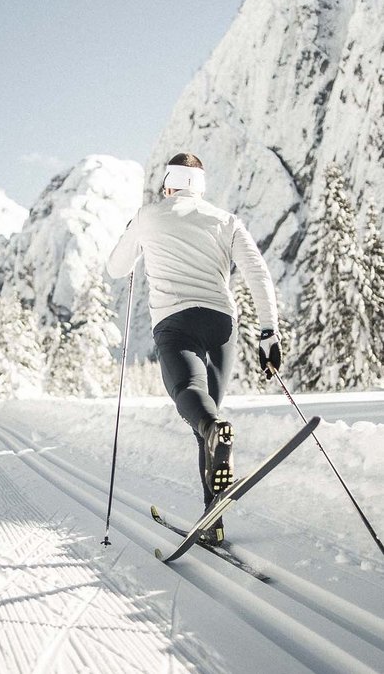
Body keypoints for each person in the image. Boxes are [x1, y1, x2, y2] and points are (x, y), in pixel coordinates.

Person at [106, 152, 282, 544]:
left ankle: (213, 497)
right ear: (200, 186)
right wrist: (269, 332)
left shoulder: (149, 215)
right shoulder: (225, 220)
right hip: (221, 323)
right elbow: (257, 272)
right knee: (210, 418)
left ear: (168, 183)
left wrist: (133, 232)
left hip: (175, 323)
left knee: (194, 402)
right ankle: (212, 517)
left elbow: (116, 268)